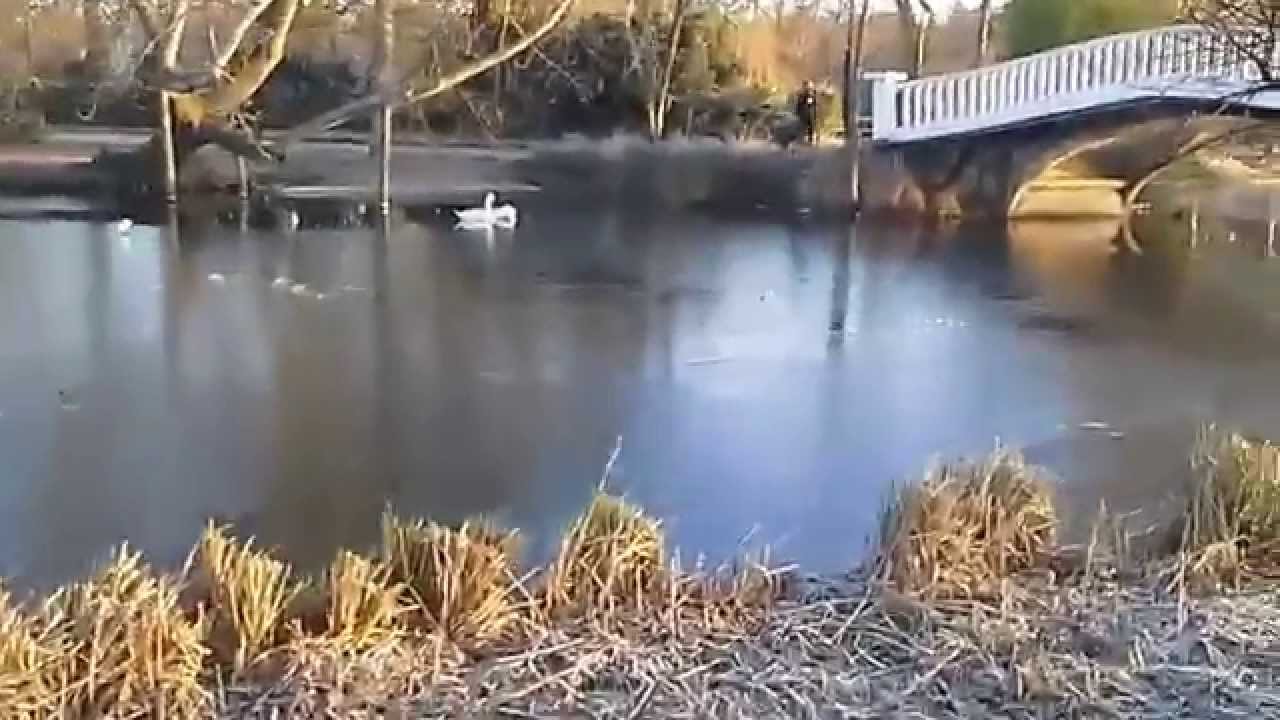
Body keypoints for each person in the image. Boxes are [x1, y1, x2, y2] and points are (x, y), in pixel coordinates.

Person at [795, 80, 819, 145]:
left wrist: (811, 96)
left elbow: (813, 103)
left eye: (810, 86)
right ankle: (803, 139)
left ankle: (810, 139)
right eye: (807, 86)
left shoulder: (812, 94)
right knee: (803, 126)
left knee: (811, 126)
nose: (809, 88)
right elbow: (799, 104)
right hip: (804, 113)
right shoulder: (801, 94)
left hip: (809, 112)